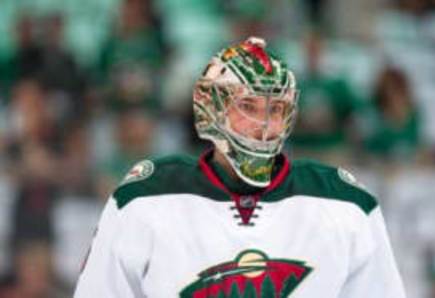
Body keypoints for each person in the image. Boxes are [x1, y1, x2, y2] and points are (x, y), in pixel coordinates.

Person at [74, 37, 406, 298]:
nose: (263, 125)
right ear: (211, 107)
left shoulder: (346, 205)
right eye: (247, 106)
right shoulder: (144, 199)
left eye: (275, 109)